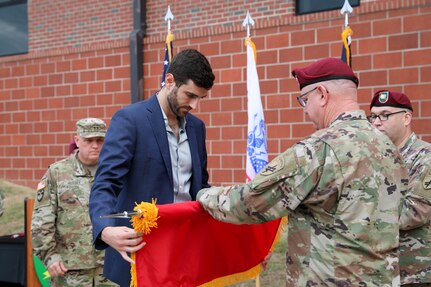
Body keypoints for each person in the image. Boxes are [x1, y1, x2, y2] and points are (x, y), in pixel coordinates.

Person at [198, 58, 408, 286]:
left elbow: (251, 201)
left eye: (305, 100)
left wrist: (203, 195)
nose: (305, 110)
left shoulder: (319, 149)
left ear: (322, 94)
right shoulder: (389, 147)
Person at [89, 48, 215, 286]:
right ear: (169, 80)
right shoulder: (129, 120)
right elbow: (105, 184)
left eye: (201, 98)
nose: (195, 105)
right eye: (190, 95)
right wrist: (105, 229)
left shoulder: (197, 128)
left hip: (185, 253)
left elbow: (200, 188)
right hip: (141, 253)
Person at [31, 118, 117, 287]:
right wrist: (50, 256)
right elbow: (41, 221)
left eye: (99, 140)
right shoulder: (56, 173)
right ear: (77, 140)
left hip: (110, 266)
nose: (95, 145)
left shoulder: (115, 171)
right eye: (89, 140)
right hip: (70, 271)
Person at [368, 90, 431, 287]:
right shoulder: (373, 159)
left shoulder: (425, 157)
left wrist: (358, 214)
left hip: (416, 273)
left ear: (406, 118)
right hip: (380, 271)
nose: (377, 122)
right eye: (373, 116)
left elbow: (415, 211)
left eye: (385, 115)